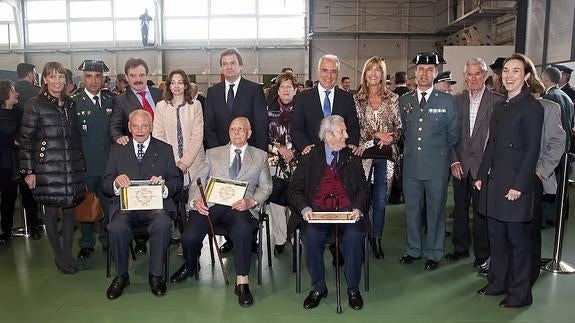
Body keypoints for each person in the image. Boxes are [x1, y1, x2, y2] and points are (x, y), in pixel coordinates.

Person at [172, 117, 272, 308]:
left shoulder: (260, 156)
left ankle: (242, 281)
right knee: (190, 236)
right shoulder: (212, 153)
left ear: (249, 133)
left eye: (241, 129)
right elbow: (197, 182)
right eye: (233, 129)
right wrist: (196, 200)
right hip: (211, 205)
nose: (236, 133)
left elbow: (266, 187)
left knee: (242, 232)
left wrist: (251, 201)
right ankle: (190, 264)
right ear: (228, 132)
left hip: (241, 207)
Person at [475, 53, 544, 308]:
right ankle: (497, 283)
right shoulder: (500, 106)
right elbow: (490, 146)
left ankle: (520, 293)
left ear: (526, 76)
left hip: (515, 186)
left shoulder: (532, 107)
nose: (509, 75)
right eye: (506, 70)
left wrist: (519, 185)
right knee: (497, 238)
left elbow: (532, 150)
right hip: (494, 184)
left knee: (517, 242)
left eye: (516, 70)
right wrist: (482, 175)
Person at [288, 115, 368, 310]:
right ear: (328, 136)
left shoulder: (352, 158)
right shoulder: (309, 158)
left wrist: (357, 208)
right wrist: (305, 209)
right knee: (311, 237)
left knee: (355, 236)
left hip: (347, 211)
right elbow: (294, 190)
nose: (347, 135)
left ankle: (352, 288)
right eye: (342, 132)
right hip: (316, 211)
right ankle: (318, 287)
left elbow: (364, 190)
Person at [102, 109, 182, 300]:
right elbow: (105, 183)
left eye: (144, 125)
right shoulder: (117, 149)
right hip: (126, 207)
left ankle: (156, 275)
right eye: (135, 125)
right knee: (115, 227)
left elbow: (176, 182)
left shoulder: (164, 149)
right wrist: (115, 182)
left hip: (155, 207)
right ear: (128, 127)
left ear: (151, 127)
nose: (139, 130)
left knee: (163, 224)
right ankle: (122, 275)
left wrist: (164, 187)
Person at [20, 61, 86, 274]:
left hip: (70, 167)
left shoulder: (70, 104)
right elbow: (27, 140)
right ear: (45, 79)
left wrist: (80, 165)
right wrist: (29, 171)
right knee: (50, 213)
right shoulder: (34, 104)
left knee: (69, 213)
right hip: (47, 169)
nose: (57, 81)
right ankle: (60, 256)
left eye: (61, 77)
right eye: (52, 76)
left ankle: (67, 254)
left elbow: (75, 137)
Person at [398, 52, 459, 271]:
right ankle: (414, 248)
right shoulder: (405, 100)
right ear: (415, 73)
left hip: (436, 167)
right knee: (412, 210)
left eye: (429, 70)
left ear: (435, 73)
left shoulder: (446, 101)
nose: (424, 74)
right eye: (421, 70)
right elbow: (403, 130)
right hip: (412, 166)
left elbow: (453, 135)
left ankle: (434, 252)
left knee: (436, 211)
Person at [446, 58, 504, 273]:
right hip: (460, 165)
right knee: (460, 210)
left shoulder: (498, 101)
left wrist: (490, 166)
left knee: (482, 214)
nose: (473, 78)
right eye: (469, 74)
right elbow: (449, 135)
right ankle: (460, 247)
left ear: (485, 75)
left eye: (477, 74)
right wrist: (453, 159)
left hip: (483, 168)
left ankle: (482, 255)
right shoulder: (456, 101)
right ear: (464, 77)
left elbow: (497, 138)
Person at [109, 57, 163, 254]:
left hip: (162, 153)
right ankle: (140, 239)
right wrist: (119, 137)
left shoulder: (160, 94)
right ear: (127, 78)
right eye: (133, 76)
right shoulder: (120, 100)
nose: (138, 79)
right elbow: (114, 125)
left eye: (141, 75)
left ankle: (168, 233)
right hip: (139, 155)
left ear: (147, 75)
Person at [353, 56, 401, 259]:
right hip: (363, 154)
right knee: (362, 199)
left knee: (380, 201)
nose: (373, 73)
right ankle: (360, 237)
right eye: (370, 69)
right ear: (365, 73)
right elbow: (356, 127)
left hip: (386, 155)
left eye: (378, 70)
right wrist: (375, 134)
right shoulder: (356, 99)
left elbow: (399, 127)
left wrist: (390, 138)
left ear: (383, 74)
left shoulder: (393, 98)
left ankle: (377, 239)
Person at [152, 69, 205, 243]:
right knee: (176, 204)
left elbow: (197, 137)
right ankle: (181, 237)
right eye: (173, 82)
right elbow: (158, 135)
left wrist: (184, 163)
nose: (176, 86)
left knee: (194, 203)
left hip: (194, 163)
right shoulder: (161, 107)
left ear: (186, 85)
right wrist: (173, 163)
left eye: (180, 82)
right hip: (170, 164)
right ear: (168, 86)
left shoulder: (195, 106)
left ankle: (191, 242)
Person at [71, 60, 114, 259]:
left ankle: (106, 239)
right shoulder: (73, 102)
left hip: (108, 165)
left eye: (98, 76)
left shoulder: (111, 100)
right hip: (85, 165)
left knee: (107, 205)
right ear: (83, 78)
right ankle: (86, 243)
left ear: (104, 78)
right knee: (86, 205)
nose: (94, 81)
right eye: (89, 76)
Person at [292, 54, 360, 155]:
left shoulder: (347, 98)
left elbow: (353, 126)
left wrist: (351, 144)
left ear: (338, 74)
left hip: (340, 157)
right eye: (325, 71)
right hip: (311, 157)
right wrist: (304, 146)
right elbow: (296, 128)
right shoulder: (303, 98)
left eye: (333, 71)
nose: (329, 76)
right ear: (318, 71)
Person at [204, 48, 268, 152]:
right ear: (221, 68)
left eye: (233, 63)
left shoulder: (255, 90)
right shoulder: (212, 92)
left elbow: (261, 126)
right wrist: (217, 152)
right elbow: (209, 127)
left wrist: (258, 154)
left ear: (240, 66)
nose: (228, 67)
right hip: (220, 153)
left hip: (249, 153)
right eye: (224, 64)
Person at [531, 97, 565, 285]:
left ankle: (530, 272)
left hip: (534, 178)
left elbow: (558, 142)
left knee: (531, 228)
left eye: (516, 71)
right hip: (508, 179)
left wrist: (540, 173)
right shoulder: (504, 105)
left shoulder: (549, 107)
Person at [267, 72, 298, 254]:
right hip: (273, 160)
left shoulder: (303, 110)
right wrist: (278, 149)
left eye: (289, 87)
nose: (286, 90)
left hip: (298, 161)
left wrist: (293, 151)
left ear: (295, 90)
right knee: (277, 202)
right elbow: (262, 137)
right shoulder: (267, 110)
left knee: (296, 200)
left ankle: (295, 237)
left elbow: (309, 134)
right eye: (282, 87)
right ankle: (280, 239)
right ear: (277, 90)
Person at [13, 63, 41, 239]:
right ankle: (38, 221)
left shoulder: (13, 91)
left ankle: (32, 223)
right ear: (31, 74)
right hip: (39, 147)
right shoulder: (37, 93)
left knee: (25, 188)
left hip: (16, 149)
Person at [0, 80, 19, 243]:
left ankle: (6, 229)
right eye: (13, 91)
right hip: (5, 160)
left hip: (12, 162)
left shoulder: (19, 112)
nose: (17, 93)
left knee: (9, 197)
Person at [542, 66, 574, 149]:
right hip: (565, 144)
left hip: (552, 145)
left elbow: (546, 125)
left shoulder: (549, 97)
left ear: (545, 79)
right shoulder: (567, 97)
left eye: (541, 78)